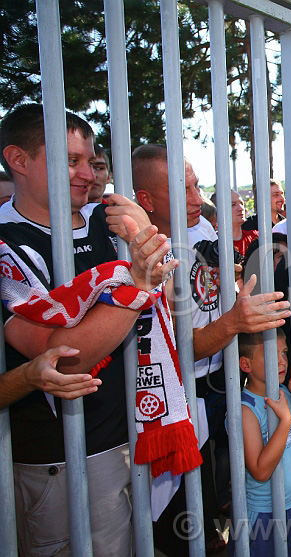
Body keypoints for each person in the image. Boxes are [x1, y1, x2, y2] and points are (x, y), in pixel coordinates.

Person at [0, 103, 175, 556]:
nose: (87, 174)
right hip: (64, 456)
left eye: (91, 160)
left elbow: (171, 307)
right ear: (18, 160)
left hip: (137, 431)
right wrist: (138, 287)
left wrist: (145, 233)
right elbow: (64, 355)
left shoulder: (108, 221)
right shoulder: (7, 244)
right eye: (70, 160)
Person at [130, 144, 290, 555]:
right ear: (146, 200)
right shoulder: (135, 251)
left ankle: (222, 529)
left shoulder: (201, 228)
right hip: (176, 393)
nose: (197, 200)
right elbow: (179, 345)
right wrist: (234, 321)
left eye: (196, 186)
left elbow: (213, 295)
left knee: (223, 474)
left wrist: (229, 283)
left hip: (221, 378)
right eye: (182, 190)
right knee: (181, 503)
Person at [233, 328, 291, 557]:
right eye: (273, 355)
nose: (282, 361)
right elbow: (260, 471)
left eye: (284, 352)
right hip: (263, 515)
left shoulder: (283, 393)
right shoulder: (245, 410)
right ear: (246, 365)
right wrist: (285, 421)